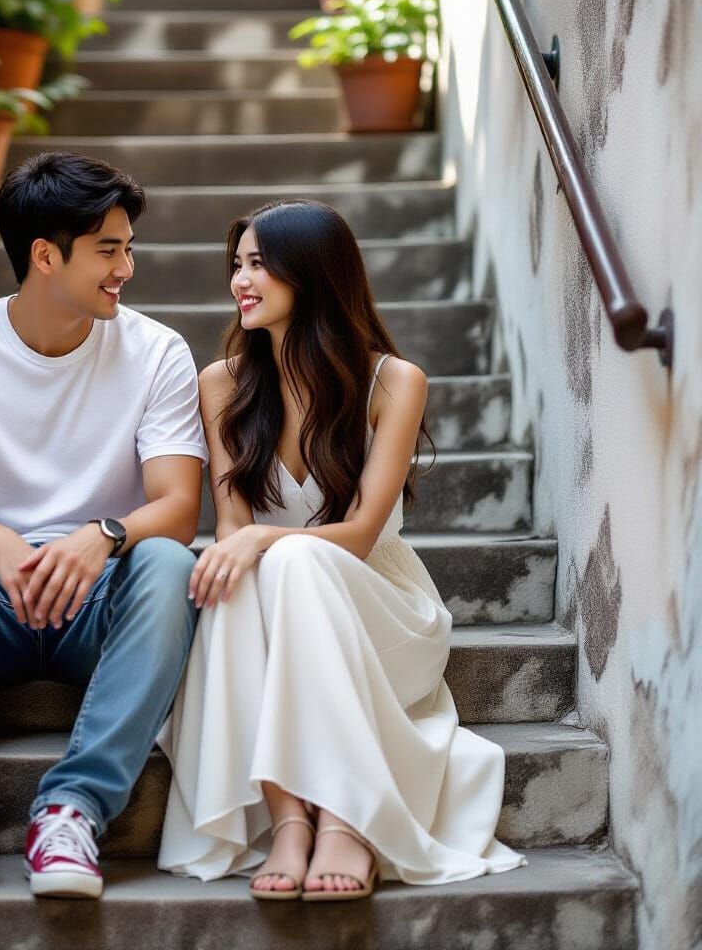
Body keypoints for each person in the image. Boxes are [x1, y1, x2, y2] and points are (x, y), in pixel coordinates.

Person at [157, 200, 526, 900]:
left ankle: (348, 819)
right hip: (268, 608)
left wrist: (265, 538)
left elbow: (356, 537)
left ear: (314, 273)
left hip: (377, 608)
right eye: (236, 265)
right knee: (234, 574)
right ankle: (290, 817)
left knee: (285, 558)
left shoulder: (395, 382)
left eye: (259, 264)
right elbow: (233, 525)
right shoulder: (221, 384)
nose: (241, 280)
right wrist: (252, 544)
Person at [0, 152, 208, 900]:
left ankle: (74, 811)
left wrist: (104, 534)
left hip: (98, 599)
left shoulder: (156, 352)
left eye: (129, 247)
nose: (127, 267)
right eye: (109, 250)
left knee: (166, 563)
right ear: (46, 256)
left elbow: (178, 507)